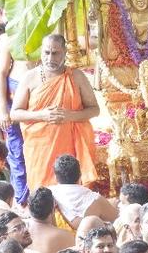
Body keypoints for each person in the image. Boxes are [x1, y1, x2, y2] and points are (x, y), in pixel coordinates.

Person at [10, 34, 99, 191]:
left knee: (72, 191)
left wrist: (70, 116)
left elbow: (94, 109)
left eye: (55, 53)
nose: (50, 57)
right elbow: (15, 114)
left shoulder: (76, 76)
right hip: (39, 149)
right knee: (42, 194)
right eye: (46, 52)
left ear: (65, 53)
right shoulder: (30, 78)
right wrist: (41, 115)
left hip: (70, 147)